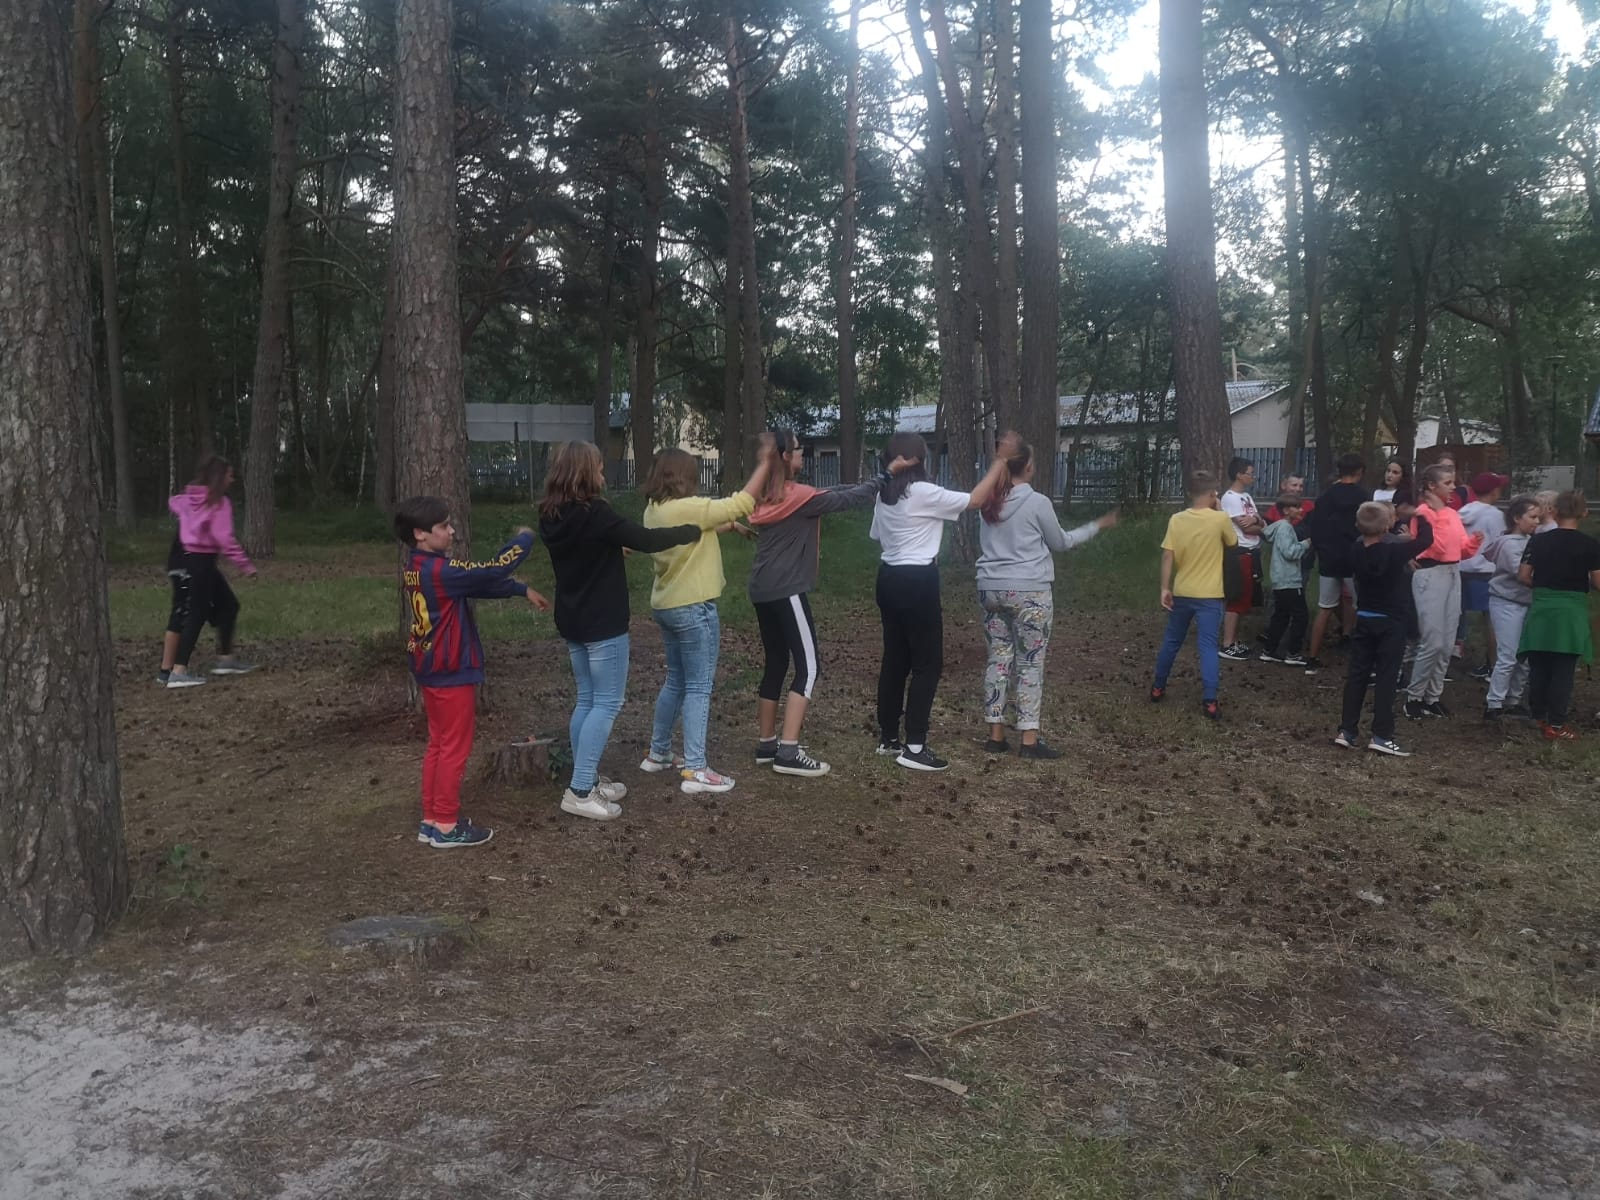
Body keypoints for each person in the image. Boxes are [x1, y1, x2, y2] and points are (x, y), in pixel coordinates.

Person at [539, 441, 702, 820]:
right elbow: (646, 539)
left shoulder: (551, 514)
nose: (602, 473)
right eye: (598, 467)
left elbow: (588, 548)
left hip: (573, 620)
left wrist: (611, 548)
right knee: (607, 703)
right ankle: (581, 791)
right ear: (584, 472)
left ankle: (586, 777)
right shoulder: (595, 514)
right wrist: (691, 530)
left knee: (587, 700)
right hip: (602, 623)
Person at [747, 432, 915, 778]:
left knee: (776, 663)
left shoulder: (770, 494)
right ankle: (788, 752)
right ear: (785, 456)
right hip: (787, 589)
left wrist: (869, 481)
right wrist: (886, 475)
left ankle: (767, 745)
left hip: (761, 589)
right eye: (799, 450)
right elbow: (849, 499)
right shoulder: (799, 499)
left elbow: (833, 492)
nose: (803, 454)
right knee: (809, 668)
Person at [395, 498, 550, 848]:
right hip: (450, 670)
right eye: (443, 526)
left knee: (439, 744)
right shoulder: (443, 571)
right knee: (454, 748)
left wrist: (521, 589)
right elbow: (492, 569)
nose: (452, 531)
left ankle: (431, 820)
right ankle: (447, 827)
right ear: (420, 534)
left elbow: (477, 584)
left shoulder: (418, 566)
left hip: (428, 667)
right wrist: (524, 538)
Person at [871, 429, 1020, 771]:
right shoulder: (923, 491)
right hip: (917, 580)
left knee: (895, 659)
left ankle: (889, 738)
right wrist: (1000, 461)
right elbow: (976, 500)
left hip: (888, 578)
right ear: (917, 460)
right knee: (927, 664)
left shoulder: (884, 494)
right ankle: (915, 747)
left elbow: (877, 535)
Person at [640, 444, 772, 795]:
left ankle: (658, 753)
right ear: (682, 477)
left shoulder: (654, 510)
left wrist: (728, 527)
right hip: (693, 607)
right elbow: (741, 503)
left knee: (676, 681)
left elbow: (690, 532)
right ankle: (696, 769)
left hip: (667, 606)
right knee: (699, 686)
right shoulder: (689, 507)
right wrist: (765, 463)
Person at [975, 439, 1117, 758]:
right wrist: (1097, 525)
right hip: (1029, 591)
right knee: (1030, 662)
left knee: (998, 658)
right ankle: (1028, 741)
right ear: (1027, 466)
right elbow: (1061, 542)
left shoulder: (988, 500)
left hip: (989, 589)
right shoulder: (1037, 502)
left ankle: (995, 736)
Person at [1334, 501, 1435, 756]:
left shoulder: (1355, 549)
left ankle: (1347, 731)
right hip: (1392, 621)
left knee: (1357, 675)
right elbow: (1426, 540)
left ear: (1358, 525)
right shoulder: (1394, 551)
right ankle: (1381, 735)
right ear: (1387, 526)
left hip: (1364, 617)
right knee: (1387, 677)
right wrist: (1421, 515)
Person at [164, 455, 258, 688]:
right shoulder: (219, 503)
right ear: (219, 477)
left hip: (194, 560)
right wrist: (245, 565)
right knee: (196, 613)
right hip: (203, 563)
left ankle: (226, 659)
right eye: (229, 475)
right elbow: (224, 538)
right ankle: (178, 671)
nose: (232, 479)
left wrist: (189, 514)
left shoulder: (189, 499)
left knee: (230, 605)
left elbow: (173, 502)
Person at [1150, 470, 1237, 719]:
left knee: (1172, 641)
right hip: (1210, 595)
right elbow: (1233, 543)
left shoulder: (1177, 519)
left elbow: (1168, 555)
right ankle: (1210, 700)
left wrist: (1165, 588)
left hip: (1183, 591)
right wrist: (1220, 510)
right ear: (1213, 494)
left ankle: (1158, 687)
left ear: (1190, 492)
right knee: (1208, 646)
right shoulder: (1220, 519)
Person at [1517, 490, 1600, 741]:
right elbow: (1598, 581)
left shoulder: (1538, 541)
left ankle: (1537, 716)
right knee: (1563, 668)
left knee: (1539, 664)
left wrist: (1544, 588)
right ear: (1584, 513)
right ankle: (1556, 722)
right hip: (1571, 611)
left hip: (1542, 607)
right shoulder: (1590, 544)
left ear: (1553, 511)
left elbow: (1523, 576)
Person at [1403, 463, 1483, 720]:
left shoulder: (1451, 514)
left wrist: (1473, 543)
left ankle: (1432, 696)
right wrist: (1438, 514)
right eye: (1447, 483)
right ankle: (1414, 697)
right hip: (1430, 574)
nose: (1453, 488)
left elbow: (1460, 549)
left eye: (1453, 482)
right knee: (1433, 641)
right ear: (1431, 486)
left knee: (1447, 642)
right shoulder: (1423, 513)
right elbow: (1433, 546)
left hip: (1452, 573)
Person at [1303, 453, 1370, 672]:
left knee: (1325, 608)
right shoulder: (1363, 496)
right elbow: (1367, 527)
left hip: (1329, 559)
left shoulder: (1325, 497)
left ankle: (1312, 658)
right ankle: (1363, 659)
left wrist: (1322, 550)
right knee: (1363, 607)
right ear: (1359, 472)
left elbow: (1315, 529)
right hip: (1354, 558)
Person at [1482, 495, 1541, 720]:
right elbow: (1521, 573)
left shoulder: (1530, 541)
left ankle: (1513, 699)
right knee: (1508, 654)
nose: (1536, 522)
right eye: (1532, 517)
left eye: (1538, 517)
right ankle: (1494, 703)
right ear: (1517, 518)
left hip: (1526, 602)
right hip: (1507, 602)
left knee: (1523, 655)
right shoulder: (1509, 544)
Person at [1457, 472, 1510, 676]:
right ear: (1494, 491)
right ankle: (1493, 665)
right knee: (1491, 620)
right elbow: (1499, 543)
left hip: (1461, 568)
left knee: (1455, 617)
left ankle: (1445, 663)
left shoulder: (1462, 511)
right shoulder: (1495, 515)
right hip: (1486, 571)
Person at [1217, 457, 1264, 660]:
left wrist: (1256, 519)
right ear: (1239, 474)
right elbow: (1246, 528)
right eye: (1250, 473)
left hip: (1252, 552)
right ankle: (1227, 644)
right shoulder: (1230, 498)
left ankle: (1235, 641)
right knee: (1237, 598)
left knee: (1246, 599)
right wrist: (1260, 525)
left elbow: (1260, 521)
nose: (1253, 477)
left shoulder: (1246, 496)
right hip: (1240, 552)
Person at [1258, 494, 1310, 666]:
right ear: (1287, 511)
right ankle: (1293, 653)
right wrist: (1306, 543)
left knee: (1281, 616)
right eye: (1297, 507)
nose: (1301, 510)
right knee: (1301, 616)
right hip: (1290, 580)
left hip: (1280, 580)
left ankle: (1269, 650)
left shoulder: (1280, 527)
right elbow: (1290, 552)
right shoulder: (1286, 528)